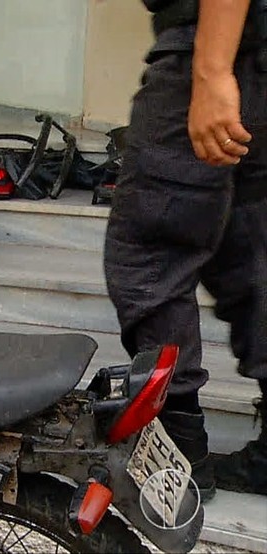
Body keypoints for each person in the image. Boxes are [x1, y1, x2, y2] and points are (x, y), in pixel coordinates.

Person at [104, 0, 267, 501]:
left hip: (220, 43)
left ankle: (179, 456)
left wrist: (211, 69)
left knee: (150, 253)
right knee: (250, 248)